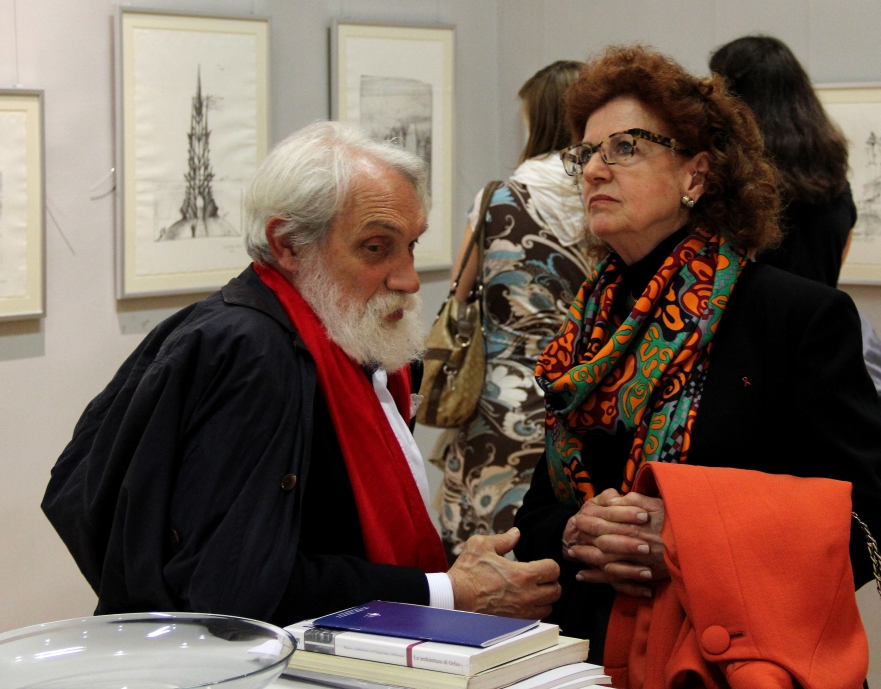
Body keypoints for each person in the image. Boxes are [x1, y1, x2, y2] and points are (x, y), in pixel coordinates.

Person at [42, 121, 560, 626]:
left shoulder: (344, 336)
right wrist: (447, 590)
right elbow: (233, 587)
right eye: (376, 247)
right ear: (288, 244)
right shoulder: (252, 353)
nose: (408, 278)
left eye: (411, 245)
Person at [511, 45, 881, 662]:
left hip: (725, 657)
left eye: (624, 148)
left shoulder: (793, 316)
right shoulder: (587, 326)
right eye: (584, 153)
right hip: (589, 655)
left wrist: (686, 540)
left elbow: (869, 525)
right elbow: (538, 511)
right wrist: (574, 531)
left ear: (694, 176)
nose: (593, 171)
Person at [710, 34, 881, 438]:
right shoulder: (835, 183)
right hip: (827, 351)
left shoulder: (738, 189)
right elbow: (836, 263)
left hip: (757, 363)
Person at [434, 60, 594, 561]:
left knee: (488, 550)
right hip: (580, 400)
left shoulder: (498, 199)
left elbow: (460, 292)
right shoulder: (605, 201)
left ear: (536, 120)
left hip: (498, 403)